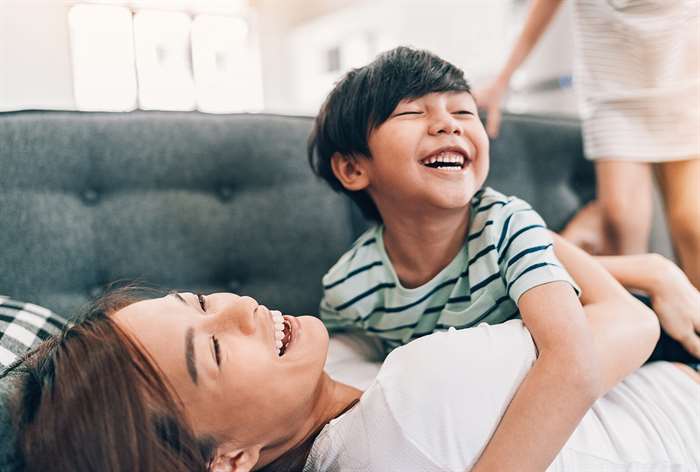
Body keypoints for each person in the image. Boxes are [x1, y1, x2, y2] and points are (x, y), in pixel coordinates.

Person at [307, 46, 698, 470]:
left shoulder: (505, 222)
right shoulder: (349, 286)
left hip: (659, 348)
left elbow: (571, 360)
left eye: (462, 112)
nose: (447, 125)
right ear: (352, 168)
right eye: (412, 114)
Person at [7, 240, 700, 471]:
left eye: (198, 299)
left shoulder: (340, 389)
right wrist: (519, 233)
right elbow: (626, 322)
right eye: (214, 348)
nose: (241, 308)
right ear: (229, 460)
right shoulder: (420, 401)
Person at [475, 0, 700, 288]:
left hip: (685, 76)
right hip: (611, 86)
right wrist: (503, 79)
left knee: (692, 223)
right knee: (621, 221)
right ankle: (639, 323)